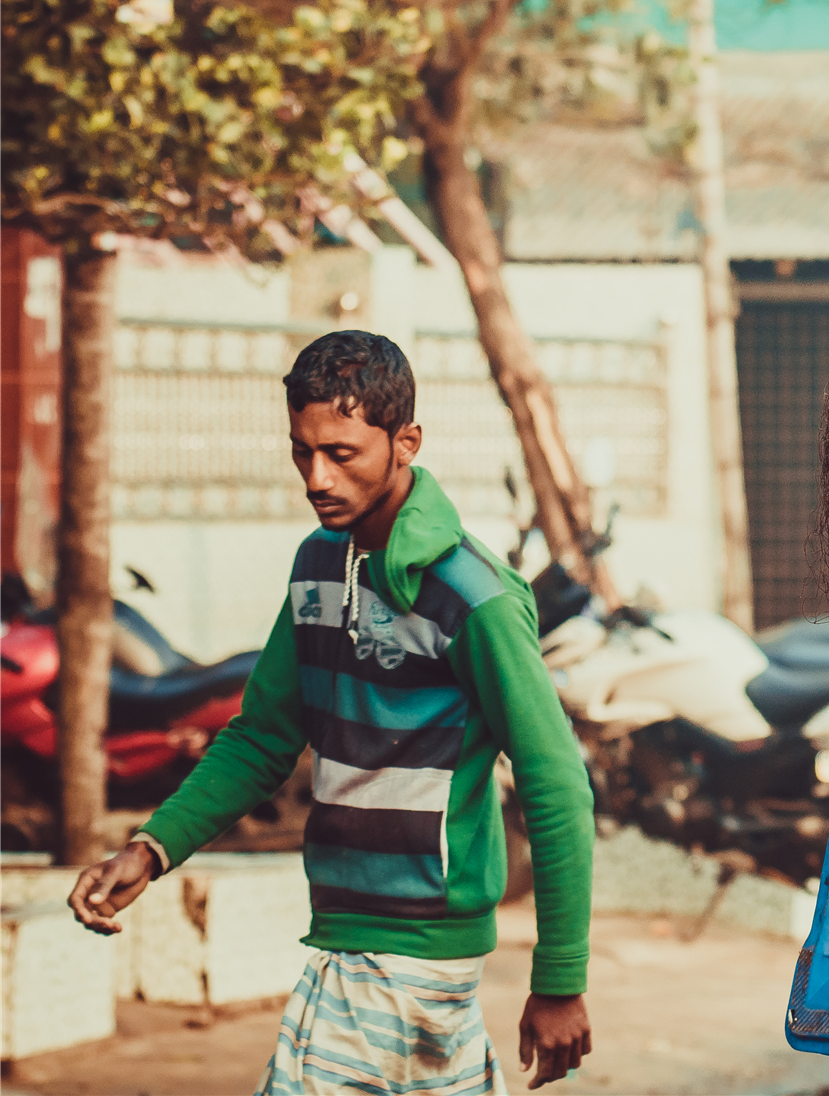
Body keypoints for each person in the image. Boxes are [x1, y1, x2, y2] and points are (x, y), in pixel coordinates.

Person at [67, 331, 596, 1094]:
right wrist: (151, 849)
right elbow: (262, 737)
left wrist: (560, 979)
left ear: (405, 441)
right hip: (351, 934)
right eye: (301, 450)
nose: (317, 476)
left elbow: (557, 784)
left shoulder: (473, 593)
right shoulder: (320, 561)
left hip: (409, 949)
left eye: (342, 453)